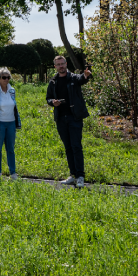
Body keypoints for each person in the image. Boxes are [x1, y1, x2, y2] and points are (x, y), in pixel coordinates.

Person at [46, 55, 92, 188]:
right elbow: (48, 98)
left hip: (74, 118)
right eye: (58, 64)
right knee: (68, 147)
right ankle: (73, 175)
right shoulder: (53, 82)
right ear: (55, 66)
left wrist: (86, 76)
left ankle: (80, 176)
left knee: (76, 146)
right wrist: (53, 102)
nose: (61, 66)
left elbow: (81, 79)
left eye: (63, 63)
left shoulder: (73, 78)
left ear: (66, 64)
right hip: (61, 119)